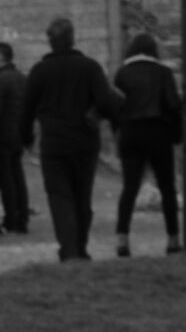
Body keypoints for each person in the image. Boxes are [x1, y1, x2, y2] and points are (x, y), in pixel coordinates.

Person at [16, 16, 123, 261]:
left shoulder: (40, 71)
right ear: (72, 39)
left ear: (50, 42)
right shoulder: (90, 67)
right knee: (82, 195)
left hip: (54, 142)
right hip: (85, 140)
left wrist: (26, 138)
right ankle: (81, 247)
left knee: (59, 195)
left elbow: (26, 110)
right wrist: (99, 114)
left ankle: (69, 249)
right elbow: (107, 101)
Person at [112, 33, 185, 257]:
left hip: (131, 133)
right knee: (167, 187)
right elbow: (173, 105)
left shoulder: (122, 73)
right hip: (158, 132)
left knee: (130, 188)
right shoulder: (163, 73)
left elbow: (115, 106)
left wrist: (118, 132)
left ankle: (122, 238)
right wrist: (177, 134)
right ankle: (173, 238)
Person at [0, 41, 31, 234]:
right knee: (17, 177)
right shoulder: (22, 78)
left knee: (6, 180)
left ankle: (10, 219)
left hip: (1, 138)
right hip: (17, 136)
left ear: (1, 57)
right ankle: (22, 219)